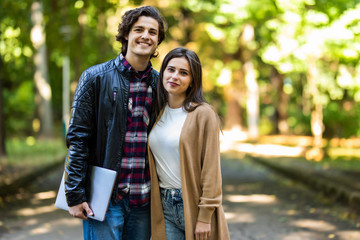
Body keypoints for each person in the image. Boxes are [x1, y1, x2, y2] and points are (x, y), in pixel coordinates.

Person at [64, 6, 167, 240]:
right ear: (126, 34)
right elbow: (78, 139)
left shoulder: (161, 85)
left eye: (152, 32)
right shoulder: (94, 77)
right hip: (104, 199)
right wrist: (74, 194)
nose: (145, 36)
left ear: (158, 40)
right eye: (138, 29)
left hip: (144, 200)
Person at [148, 47, 230, 240]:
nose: (175, 76)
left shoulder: (203, 114)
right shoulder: (157, 112)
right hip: (163, 206)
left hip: (191, 203)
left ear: (193, 80)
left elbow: (211, 169)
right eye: (171, 69)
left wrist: (204, 217)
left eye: (183, 73)